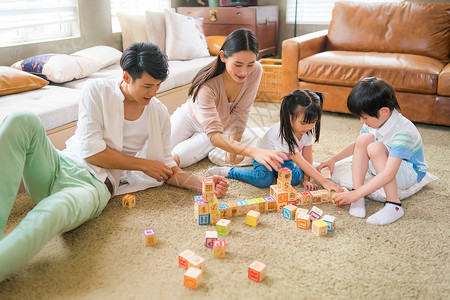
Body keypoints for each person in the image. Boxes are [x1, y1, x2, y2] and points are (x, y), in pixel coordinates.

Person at [0, 42, 228, 281]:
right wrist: (142, 164)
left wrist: (202, 184)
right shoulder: (97, 90)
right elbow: (91, 152)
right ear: (126, 76)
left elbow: (165, 166)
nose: (153, 93)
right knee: (21, 119)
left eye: (158, 86)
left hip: (92, 185)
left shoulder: (158, 112)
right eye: (148, 85)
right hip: (60, 164)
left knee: (49, 213)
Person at [170, 28, 287, 171]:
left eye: (250, 64)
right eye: (237, 65)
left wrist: (232, 154)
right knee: (155, 152)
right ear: (223, 56)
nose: (244, 72)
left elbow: (241, 113)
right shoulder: (207, 87)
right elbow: (216, 136)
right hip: (189, 118)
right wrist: (253, 151)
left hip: (214, 132)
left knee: (172, 160)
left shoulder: (256, 70)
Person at [317, 77, 428, 225]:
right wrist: (333, 159)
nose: (362, 121)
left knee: (375, 148)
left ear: (384, 111)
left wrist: (354, 194)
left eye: (364, 117)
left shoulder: (403, 131)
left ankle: (394, 205)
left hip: (408, 172)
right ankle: (358, 195)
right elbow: (357, 145)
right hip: (384, 161)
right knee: (364, 140)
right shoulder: (375, 122)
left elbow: (389, 173)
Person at [206, 89, 343, 192]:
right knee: (264, 180)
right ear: (290, 116)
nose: (308, 127)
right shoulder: (282, 133)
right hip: (265, 158)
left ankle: (305, 171)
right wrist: (325, 182)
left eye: (313, 122)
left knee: (294, 179)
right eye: (303, 123)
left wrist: (306, 179)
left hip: (286, 160)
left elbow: (307, 157)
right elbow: (300, 159)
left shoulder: (306, 131)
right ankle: (230, 172)